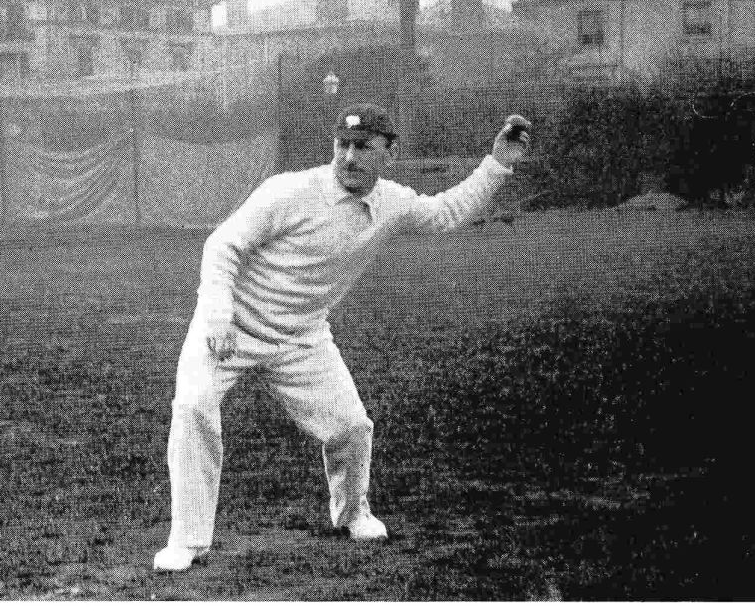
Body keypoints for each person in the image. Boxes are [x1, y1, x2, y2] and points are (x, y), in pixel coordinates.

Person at [154, 103, 530, 572]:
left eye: (363, 147)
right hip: (230, 327)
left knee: (352, 429)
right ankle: (187, 540)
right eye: (342, 145)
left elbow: (447, 212)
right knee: (192, 409)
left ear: (389, 152)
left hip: (302, 337)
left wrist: (498, 164)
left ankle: (354, 513)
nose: (349, 158)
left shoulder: (393, 203)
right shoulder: (289, 190)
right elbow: (222, 246)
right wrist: (217, 315)